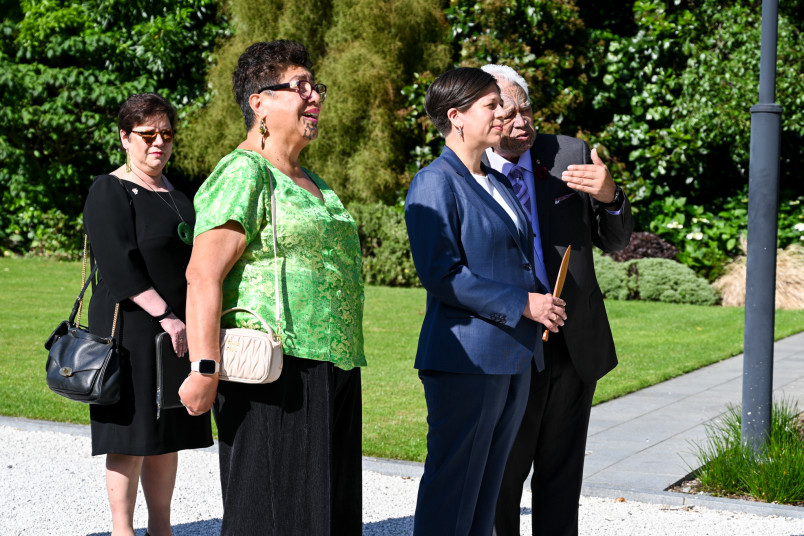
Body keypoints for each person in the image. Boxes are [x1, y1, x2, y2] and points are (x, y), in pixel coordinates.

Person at [179, 40, 365, 535]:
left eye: (316, 87)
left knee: (326, 513)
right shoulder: (243, 170)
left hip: (334, 363)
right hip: (273, 370)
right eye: (300, 86)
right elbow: (203, 273)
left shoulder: (314, 181)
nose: (315, 97)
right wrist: (203, 367)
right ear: (259, 102)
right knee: (273, 514)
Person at [404, 67, 567, 536]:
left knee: (487, 494)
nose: (503, 113)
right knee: (453, 489)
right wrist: (524, 304)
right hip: (466, 361)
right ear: (456, 117)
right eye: (492, 105)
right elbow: (442, 274)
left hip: (514, 357)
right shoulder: (435, 183)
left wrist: (542, 301)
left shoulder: (494, 181)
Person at [480, 64, 634, 536]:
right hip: (510, 343)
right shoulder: (468, 169)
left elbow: (615, 240)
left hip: (573, 342)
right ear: (481, 117)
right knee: (504, 476)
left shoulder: (568, 152)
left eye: (527, 108)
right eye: (508, 114)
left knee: (562, 476)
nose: (524, 122)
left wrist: (611, 198)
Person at [83, 92, 213, 536]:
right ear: (124, 137)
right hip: (132, 331)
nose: (158, 143)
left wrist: (188, 320)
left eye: (167, 135)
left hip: (175, 332)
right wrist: (167, 316)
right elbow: (119, 265)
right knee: (130, 437)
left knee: (165, 434)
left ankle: (162, 528)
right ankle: (123, 531)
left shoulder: (179, 192)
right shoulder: (110, 188)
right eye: (147, 135)